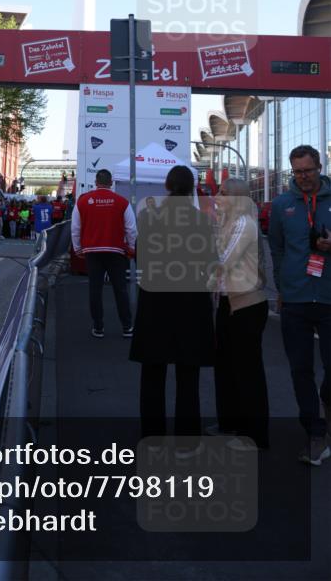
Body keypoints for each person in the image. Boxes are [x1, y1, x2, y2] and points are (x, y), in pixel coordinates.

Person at [129, 165, 215, 452]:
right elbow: (209, 261)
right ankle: (187, 441)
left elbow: (140, 256)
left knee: (152, 373)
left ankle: (152, 438)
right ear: (192, 188)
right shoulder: (201, 222)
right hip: (191, 305)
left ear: (167, 186)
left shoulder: (151, 218)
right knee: (187, 375)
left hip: (156, 304)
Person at [268, 145, 331, 466]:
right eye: (297, 172)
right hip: (295, 298)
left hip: (329, 297)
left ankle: (326, 405)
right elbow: (276, 249)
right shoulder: (282, 205)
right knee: (300, 369)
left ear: (320, 166)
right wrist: (281, 286)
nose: (303, 177)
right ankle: (314, 431)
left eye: (308, 171)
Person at [207, 178, 269, 450]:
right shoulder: (226, 222)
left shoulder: (245, 224)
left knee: (247, 371)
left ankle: (253, 435)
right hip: (228, 303)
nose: (217, 196)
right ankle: (229, 423)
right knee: (226, 367)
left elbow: (223, 263)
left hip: (246, 305)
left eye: (222, 193)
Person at [71, 169, 136, 339]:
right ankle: (127, 326)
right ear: (111, 182)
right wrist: (130, 249)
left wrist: (78, 248)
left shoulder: (83, 201)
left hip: (92, 252)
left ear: (95, 181)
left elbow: (75, 228)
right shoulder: (122, 202)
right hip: (116, 252)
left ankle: (98, 327)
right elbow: (131, 230)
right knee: (120, 289)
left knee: (95, 289)